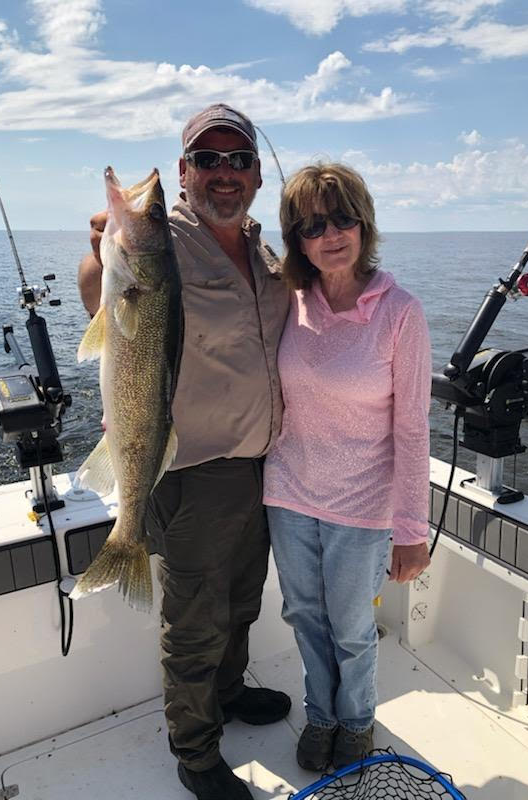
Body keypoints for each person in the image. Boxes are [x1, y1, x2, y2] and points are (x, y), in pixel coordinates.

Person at [78, 104, 291, 800]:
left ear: (257, 174)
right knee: (195, 620)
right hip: (193, 472)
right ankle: (194, 751)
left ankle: (228, 695)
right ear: (184, 171)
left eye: (237, 160)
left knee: (239, 603)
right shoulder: (160, 238)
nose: (222, 174)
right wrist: (104, 247)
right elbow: (98, 291)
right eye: (207, 160)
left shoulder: (263, 250)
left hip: (260, 467)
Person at [263, 163, 432, 772]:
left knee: (352, 627)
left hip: (362, 504)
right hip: (287, 491)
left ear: (364, 224)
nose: (330, 234)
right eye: (311, 225)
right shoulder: (288, 296)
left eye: (341, 219)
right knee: (303, 615)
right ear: (296, 239)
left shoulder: (400, 312)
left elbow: (413, 428)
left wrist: (412, 529)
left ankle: (357, 719)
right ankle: (322, 714)